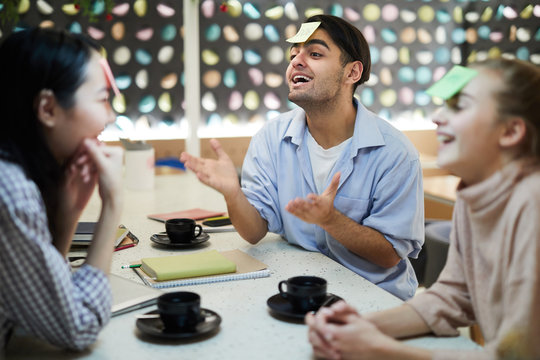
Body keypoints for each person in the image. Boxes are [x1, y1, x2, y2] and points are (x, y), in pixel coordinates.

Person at [306, 58, 540, 359]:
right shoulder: (474, 194)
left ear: (511, 132)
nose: (436, 117)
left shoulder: (532, 204)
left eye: (459, 106)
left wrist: (377, 350)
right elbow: (452, 297)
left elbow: (518, 354)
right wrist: (358, 325)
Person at [181, 15, 424, 300]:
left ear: (352, 73)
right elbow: (254, 231)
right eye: (293, 54)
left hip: (375, 300)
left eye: (315, 54)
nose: (296, 61)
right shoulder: (271, 138)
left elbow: (390, 255)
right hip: (299, 293)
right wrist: (233, 194)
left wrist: (330, 220)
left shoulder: (395, 153)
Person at [0, 28, 123, 351]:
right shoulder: (11, 192)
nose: (110, 117)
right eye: (103, 100)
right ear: (48, 109)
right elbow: (77, 329)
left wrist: (68, 216)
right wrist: (113, 205)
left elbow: (42, 298)